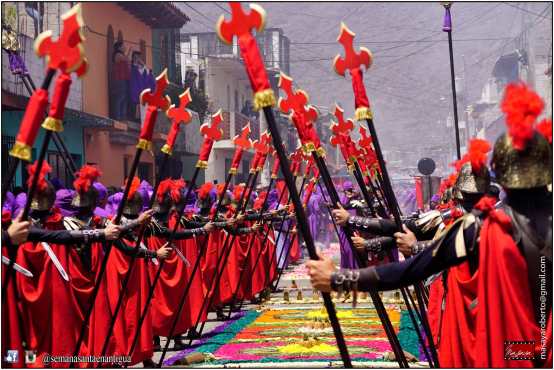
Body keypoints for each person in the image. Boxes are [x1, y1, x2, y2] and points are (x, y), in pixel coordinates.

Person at [307, 83, 552, 367]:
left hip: (509, 352)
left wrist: (340, 279)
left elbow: (413, 267)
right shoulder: (475, 224)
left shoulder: (484, 227)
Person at [111, 40, 131, 121]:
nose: (125, 47)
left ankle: (123, 116)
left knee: (124, 97)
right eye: (123, 46)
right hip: (119, 78)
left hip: (124, 78)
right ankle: (118, 116)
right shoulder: (117, 55)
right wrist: (130, 51)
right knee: (120, 97)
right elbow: (127, 59)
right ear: (119, 47)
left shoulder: (121, 54)